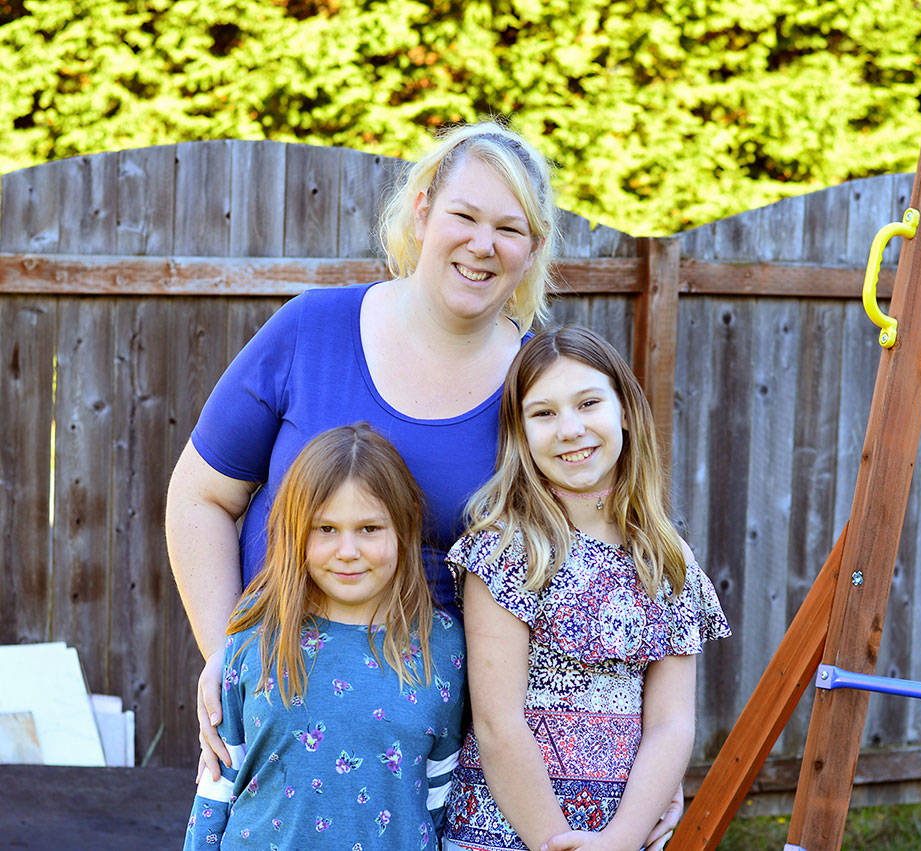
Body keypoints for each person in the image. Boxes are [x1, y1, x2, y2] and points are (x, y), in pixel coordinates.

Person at [166, 120, 558, 777]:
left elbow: (588, 558)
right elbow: (199, 497)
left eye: (509, 228)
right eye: (464, 214)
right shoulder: (311, 329)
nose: (482, 245)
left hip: (435, 751)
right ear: (423, 210)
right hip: (278, 718)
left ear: (533, 247)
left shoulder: (539, 386)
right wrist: (224, 658)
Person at [442, 327, 730, 851]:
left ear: (625, 411)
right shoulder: (509, 550)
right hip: (509, 829)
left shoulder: (666, 560)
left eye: (588, 403)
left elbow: (671, 724)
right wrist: (558, 842)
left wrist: (622, 838)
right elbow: (497, 722)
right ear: (520, 433)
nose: (570, 429)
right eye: (544, 413)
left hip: (626, 833)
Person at [181, 423, 465, 849]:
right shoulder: (256, 634)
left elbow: (444, 795)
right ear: (296, 534)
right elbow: (218, 781)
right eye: (326, 529)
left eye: (370, 528)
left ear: (404, 530)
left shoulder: (440, 646)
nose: (347, 551)